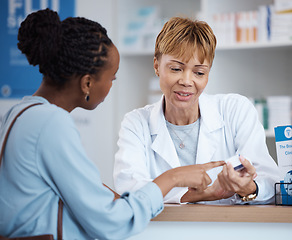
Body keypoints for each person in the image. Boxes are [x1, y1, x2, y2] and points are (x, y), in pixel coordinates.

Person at [0, 9, 225, 239]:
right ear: (87, 83)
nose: (110, 86)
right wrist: (173, 178)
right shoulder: (51, 124)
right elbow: (112, 223)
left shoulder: (20, 113)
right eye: (112, 78)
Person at [113, 16, 281, 204]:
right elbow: (129, 188)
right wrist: (206, 194)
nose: (186, 81)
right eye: (176, 69)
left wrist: (249, 188)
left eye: (199, 73)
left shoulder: (235, 110)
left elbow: (270, 181)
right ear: (156, 66)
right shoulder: (136, 123)